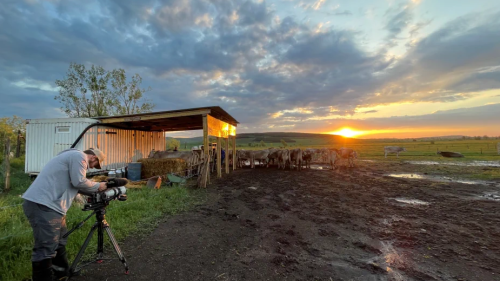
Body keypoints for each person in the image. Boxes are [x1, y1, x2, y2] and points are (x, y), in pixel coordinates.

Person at [22, 148, 108, 281]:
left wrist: (97, 192)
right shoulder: (79, 156)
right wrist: (99, 186)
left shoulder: (71, 157)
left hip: (52, 206)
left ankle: (61, 274)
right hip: (44, 205)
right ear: (93, 158)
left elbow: (77, 186)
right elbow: (79, 181)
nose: (91, 168)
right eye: (93, 165)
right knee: (47, 245)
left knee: (60, 240)